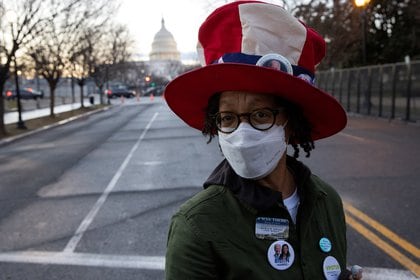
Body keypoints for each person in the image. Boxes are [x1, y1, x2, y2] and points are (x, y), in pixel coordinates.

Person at [164, 1, 352, 279]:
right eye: (228, 118)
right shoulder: (196, 225)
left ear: (291, 122)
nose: (242, 133)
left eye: (261, 115)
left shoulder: (327, 202)